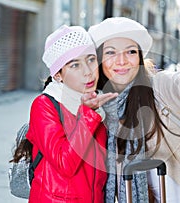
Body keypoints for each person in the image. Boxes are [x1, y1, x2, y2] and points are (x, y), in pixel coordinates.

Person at [88, 17, 180, 203]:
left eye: (131, 51)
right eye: (110, 52)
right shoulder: (96, 110)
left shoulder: (163, 87)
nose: (121, 61)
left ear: (140, 58)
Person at [18, 25, 118, 202]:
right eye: (75, 65)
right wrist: (88, 115)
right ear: (58, 75)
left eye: (91, 60)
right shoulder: (44, 105)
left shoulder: (99, 103)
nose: (88, 71)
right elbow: (65, 164)